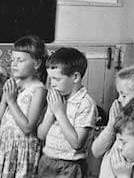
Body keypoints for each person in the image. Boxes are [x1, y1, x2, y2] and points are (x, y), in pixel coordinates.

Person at [0, 35, 48, 177]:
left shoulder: (39, 90)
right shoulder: (12, 86)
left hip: (22, 151)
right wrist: (5, 100)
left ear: (37, 63)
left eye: (20, 60)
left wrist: (11, 101)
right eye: (13, 59)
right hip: (3, 147)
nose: (14, 64)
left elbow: (27, 127)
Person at [37, 48, 97, 177]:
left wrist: (59, 113)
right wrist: (51, 112)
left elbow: (77, 144)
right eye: (50, 79)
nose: (52, 84)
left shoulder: (85, 104)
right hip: (47, 160)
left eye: (57, 79)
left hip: (69, 166)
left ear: (75, 77)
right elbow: (41, 135)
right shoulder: (56, 98)